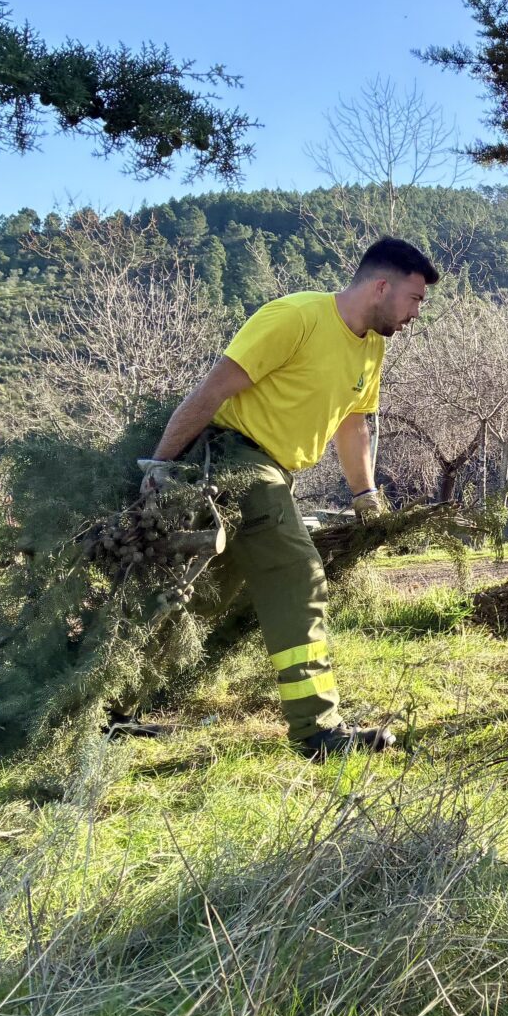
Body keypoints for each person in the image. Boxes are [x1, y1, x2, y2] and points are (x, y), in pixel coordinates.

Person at [138, 236, 437, 758]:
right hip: (232, 460)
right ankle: (317, 730)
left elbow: (352, 422)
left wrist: (365, 494)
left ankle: (114, 707)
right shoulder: (295, 317)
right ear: (382, 286)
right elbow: (213, 389)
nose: (416, 313)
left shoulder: (372, 344)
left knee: (206, 599)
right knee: (299, 574)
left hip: (275, 471)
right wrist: (160, 465)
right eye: (414, 299)